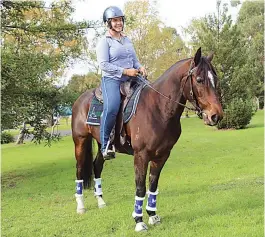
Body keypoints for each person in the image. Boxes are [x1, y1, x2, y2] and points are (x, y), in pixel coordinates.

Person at [96, 6, 147, 160]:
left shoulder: (126, 39)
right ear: (108, 23)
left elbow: (134, 60)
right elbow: (104, 65)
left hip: (132, 77)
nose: (119, 23)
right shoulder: (104, 42)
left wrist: (140, 67)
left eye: (120, 20)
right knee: (112, 107)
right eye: (115, 20)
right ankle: (106, 145)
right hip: (112, 79)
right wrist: (125, 71)